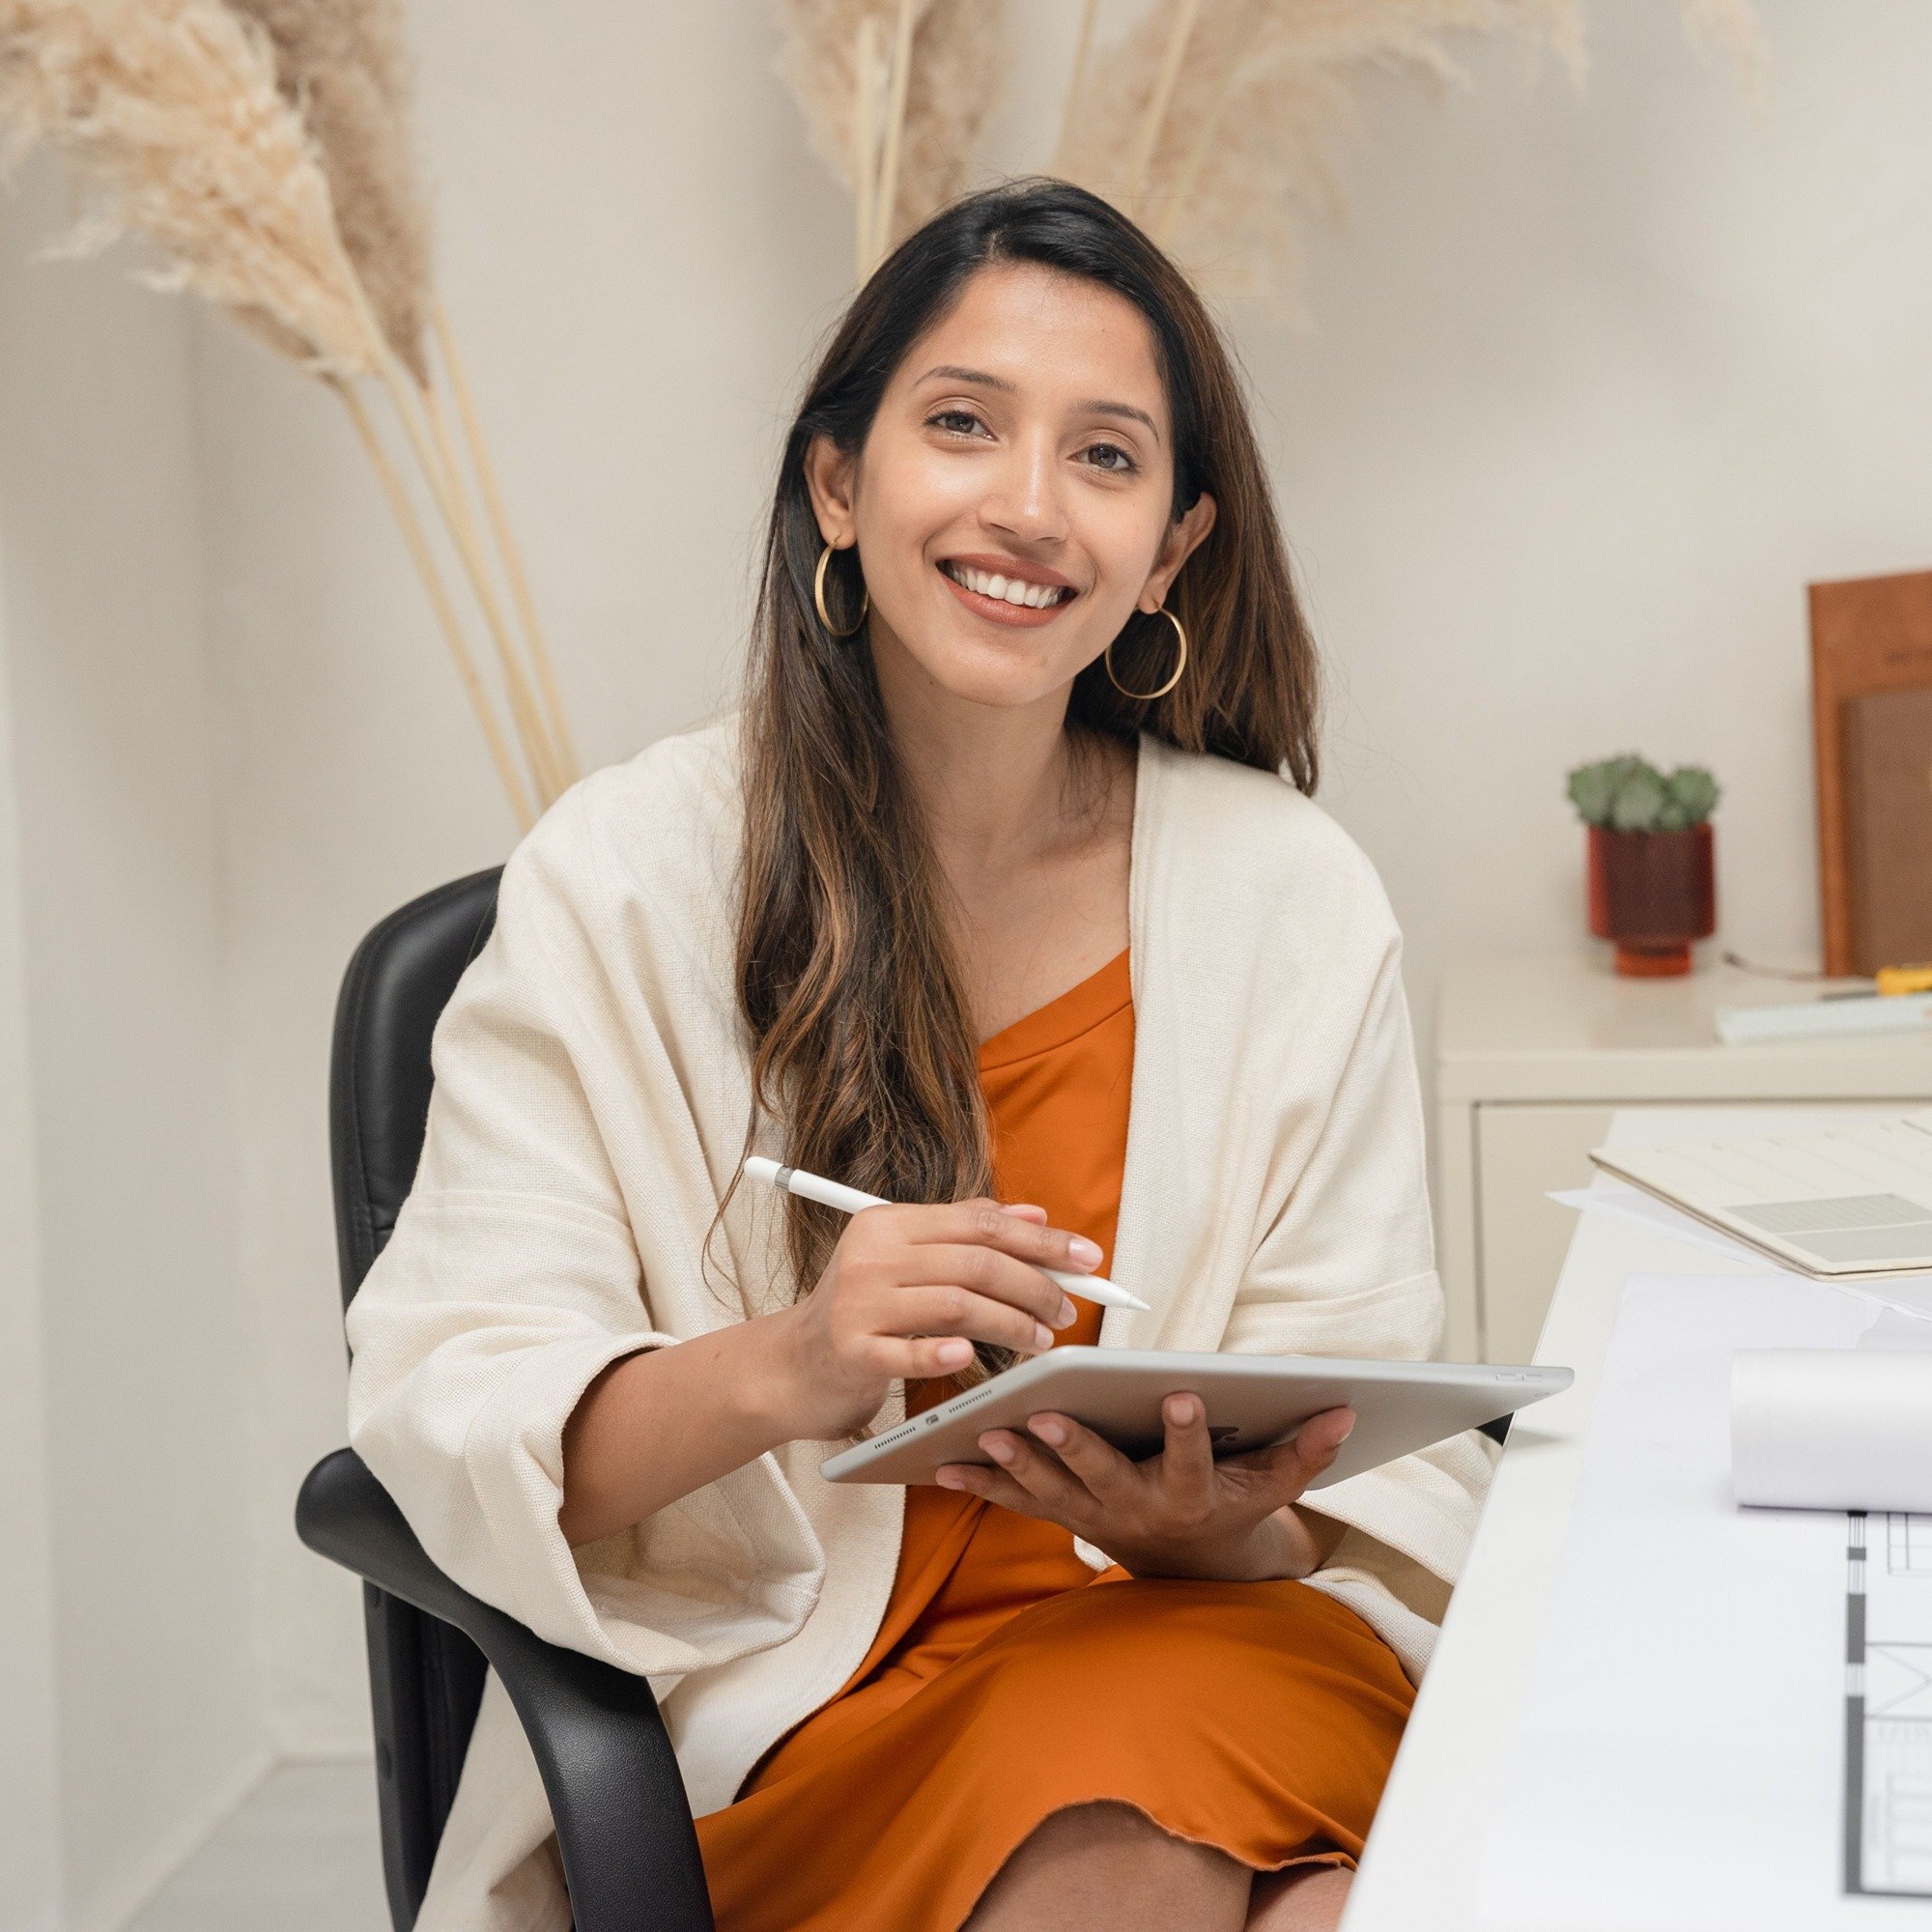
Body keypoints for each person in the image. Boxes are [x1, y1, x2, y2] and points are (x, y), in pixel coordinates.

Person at [345, 175, 1496, 1932]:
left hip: (1216, 1644)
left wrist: (1206, 1521)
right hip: (798, 1720)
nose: (1028, 509)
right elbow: (460, 1413)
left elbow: (1348, 1487)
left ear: (1174, 547)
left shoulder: (1291, 895)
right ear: (839, 483)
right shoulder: (629, 876)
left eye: (1106, 459)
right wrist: (798, 1359)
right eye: (963, 426)